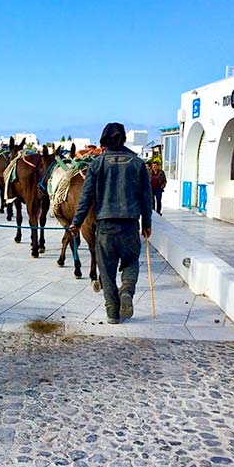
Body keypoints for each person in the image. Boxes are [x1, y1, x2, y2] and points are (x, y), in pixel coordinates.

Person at [70, 122, 152, 324]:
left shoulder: (97, 164)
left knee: (106, 271)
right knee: (131, 262)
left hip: (105, 227)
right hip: (130, 225)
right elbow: (146, 197)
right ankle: (126, 291)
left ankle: (112, 312)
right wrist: (147, 223)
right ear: (123, 138)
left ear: (104, 140)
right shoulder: (137, 163)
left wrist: (76, 223)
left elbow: (86, 197)